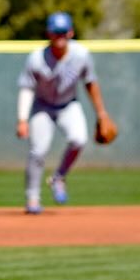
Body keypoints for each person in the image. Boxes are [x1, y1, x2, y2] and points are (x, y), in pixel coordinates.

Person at [15, 11, 116, 214]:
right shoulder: (36, 59)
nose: (59, 36)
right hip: (42, 106)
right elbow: (27, 88)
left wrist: (102, 114)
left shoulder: (81, 55)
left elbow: (91, 83)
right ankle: (32, 199)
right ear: (49, 34)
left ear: (70, 33)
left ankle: (58, 178)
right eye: (55, 32)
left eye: (63, 32)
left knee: (79, 139)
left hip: (68, 105)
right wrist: (23, 119)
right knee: (38, 151)